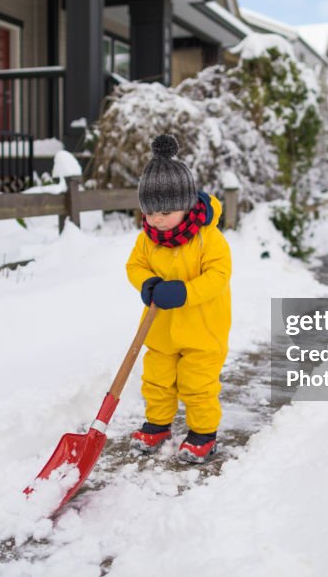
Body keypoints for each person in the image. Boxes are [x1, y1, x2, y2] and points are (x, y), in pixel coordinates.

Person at [125, 134, 232, 464]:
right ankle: (157, 425)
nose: (156, 219)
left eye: (166, 211)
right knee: (156, 380)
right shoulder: (148, 239)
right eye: (150, 211)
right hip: (160, 330)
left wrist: (185, 291)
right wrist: (146, 283)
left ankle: (203, 433)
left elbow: (218, 277)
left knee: (197, 384)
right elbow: (135, 265)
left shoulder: (208, 238)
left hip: (202, 331)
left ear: (186, 205)